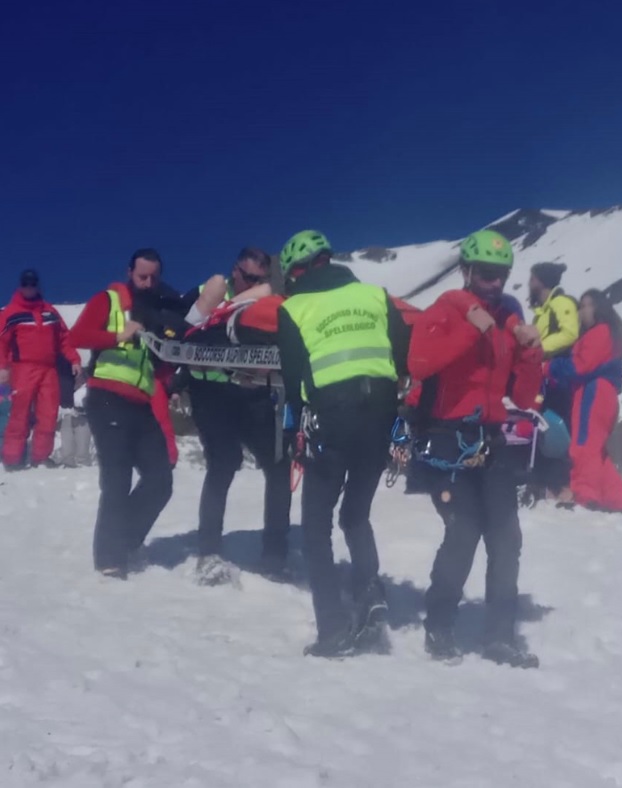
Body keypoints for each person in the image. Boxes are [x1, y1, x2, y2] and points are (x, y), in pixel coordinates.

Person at [405, 229, 544, 668]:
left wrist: (529, 355)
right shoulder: (446, 308)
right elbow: (419, 363)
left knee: (506, 537)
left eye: (502, 275)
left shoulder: (507, 317)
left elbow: (522, 398)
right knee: (463, 532)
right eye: (486, 274)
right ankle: (440, 624)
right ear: (466, 271)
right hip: (448, 439)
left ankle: (500, 635)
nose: (495, 283)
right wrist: (470, 330)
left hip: (492, 436)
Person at [276, 230, 410, 658]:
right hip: (380, 420)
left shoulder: (293, 308)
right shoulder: (375, 295)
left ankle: (332, 629)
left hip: (331, 422)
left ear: (295, 271)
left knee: (316, 528)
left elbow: (294, 381)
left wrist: (294, 435)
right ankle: (369, 593)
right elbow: (403, 354)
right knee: (355, 516)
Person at [177, 248, 292, 585]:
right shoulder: (207, 293)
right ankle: (209, 551)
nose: (254, 284)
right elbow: (183, 333)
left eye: (261, 279)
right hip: (211, 395)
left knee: (278, 464)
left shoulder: (264, 304)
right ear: (236, 272)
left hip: (252, 395)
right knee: (223, 464)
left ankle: (275, 552)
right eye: (250, 277)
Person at [69, 249, 176, 579]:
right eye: (142, 275)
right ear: (130, 271)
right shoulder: (109, 299)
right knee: (117, 479)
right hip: (107, 398)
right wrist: (118, 335)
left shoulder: (155, 310)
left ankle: (124, 539)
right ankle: (110, 559)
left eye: (153, 277)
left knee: (161, 479)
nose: (148, 282)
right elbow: (77, 335)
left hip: (141, 403)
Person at [546, 289, 622, 513]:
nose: (581, 311)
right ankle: (616, 498)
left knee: (584, 444)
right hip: (606, 396)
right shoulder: (612, 335)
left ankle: (583, 495)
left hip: (593, 393)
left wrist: (549, 367)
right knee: (598, 450)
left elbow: (579, 366)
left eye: (586, 305)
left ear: (598, 308)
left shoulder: (599, 332)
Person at [0, 269, 83, 470]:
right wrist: (2, 367)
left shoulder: (50, 312)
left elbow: (65, 338)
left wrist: (74, 359)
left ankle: (41, 457)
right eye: (26, 284)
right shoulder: (11, 313)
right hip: (22, 369)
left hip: (49, 369)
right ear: (21, 286)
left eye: (33, 284)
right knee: (19, 414)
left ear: (37, 286)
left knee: (48, 413)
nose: (30, 288)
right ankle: (12, 458)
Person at [527, 262, 580, 503]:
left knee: (557, 427)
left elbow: (570, 333)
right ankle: (542, 482)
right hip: (544, 376)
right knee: (541, 426)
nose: (529, 283)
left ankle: (560, 485)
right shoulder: (543, 311)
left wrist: (539, 350)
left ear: (541, 281)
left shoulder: (562, 303)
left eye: (532, 278)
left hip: (558, 377)